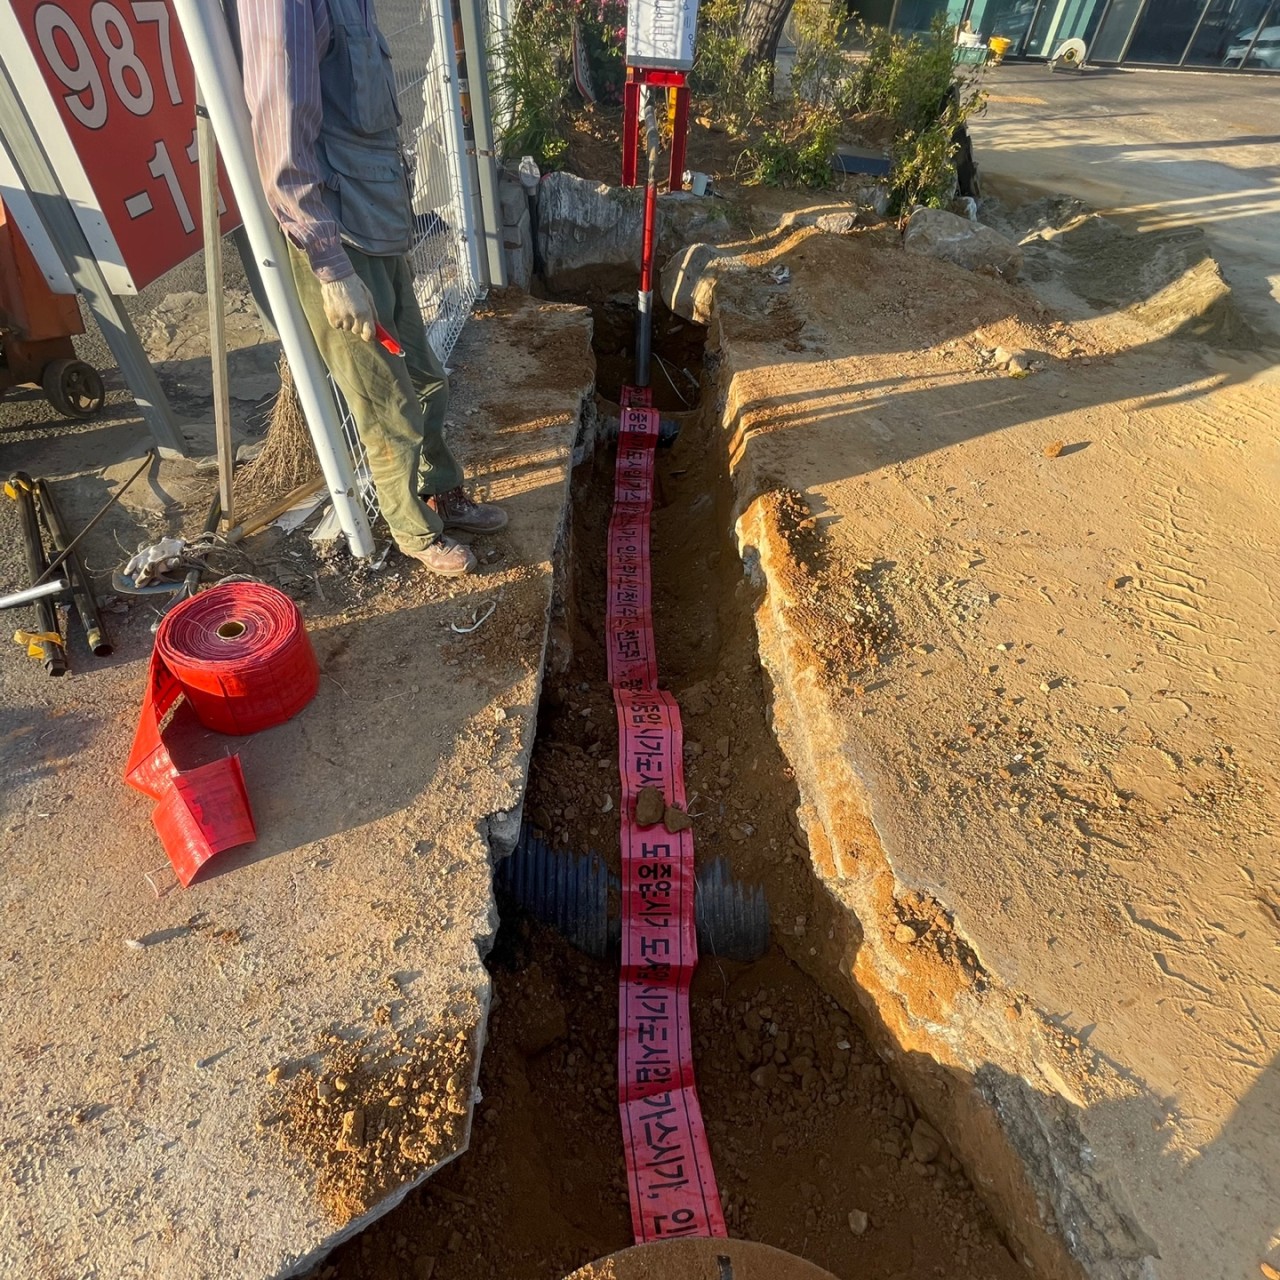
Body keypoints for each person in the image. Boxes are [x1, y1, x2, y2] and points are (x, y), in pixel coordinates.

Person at [237, 0, 504, 576]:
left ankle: (440, 489)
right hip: (339, 238)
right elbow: (282, 134)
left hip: (379, 222)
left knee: (427, 378)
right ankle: (413, 529)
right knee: (387, 405)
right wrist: (332, 268)